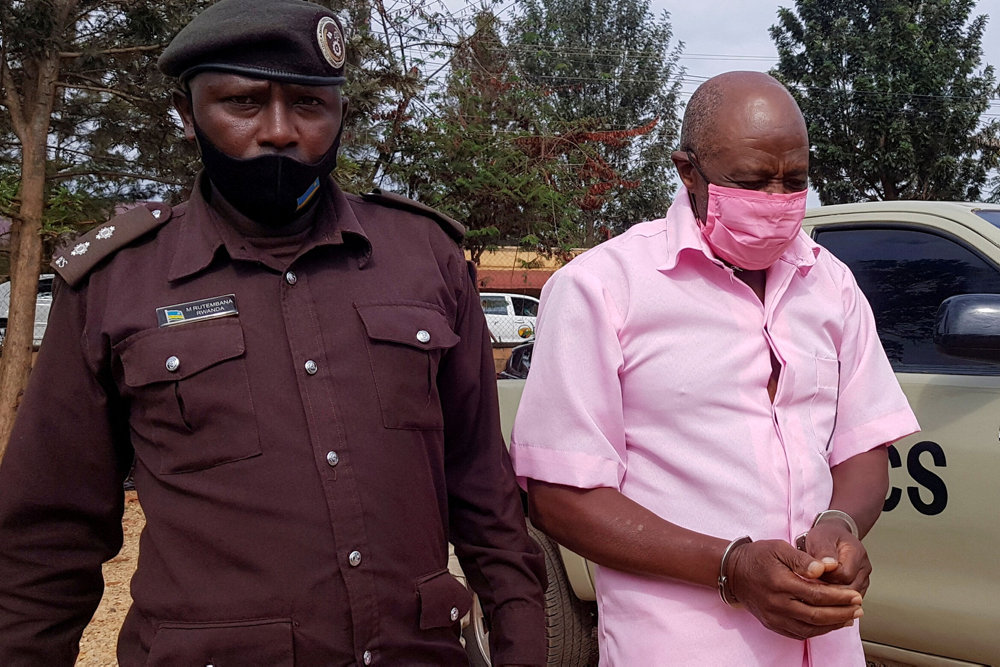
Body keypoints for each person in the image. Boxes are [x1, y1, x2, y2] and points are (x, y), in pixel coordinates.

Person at [0, 0, 546, 664]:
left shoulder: (424, 258)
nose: (281, 131)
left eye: (310, 104)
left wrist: (521, 641)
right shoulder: (116, 284)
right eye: (243, 102)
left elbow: (483, 490)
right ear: (185, 112)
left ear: (341, 111)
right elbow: (44, 543)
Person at [509, 71, 919, 665]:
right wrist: (733, 566)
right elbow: (561, 496)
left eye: (795, 181)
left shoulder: (830, 283)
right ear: (688, 173)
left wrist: (841, 525)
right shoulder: (601, 289)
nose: (777, 200)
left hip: (825, 645)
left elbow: (863, 448)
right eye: (752, 181)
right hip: (679, 644)